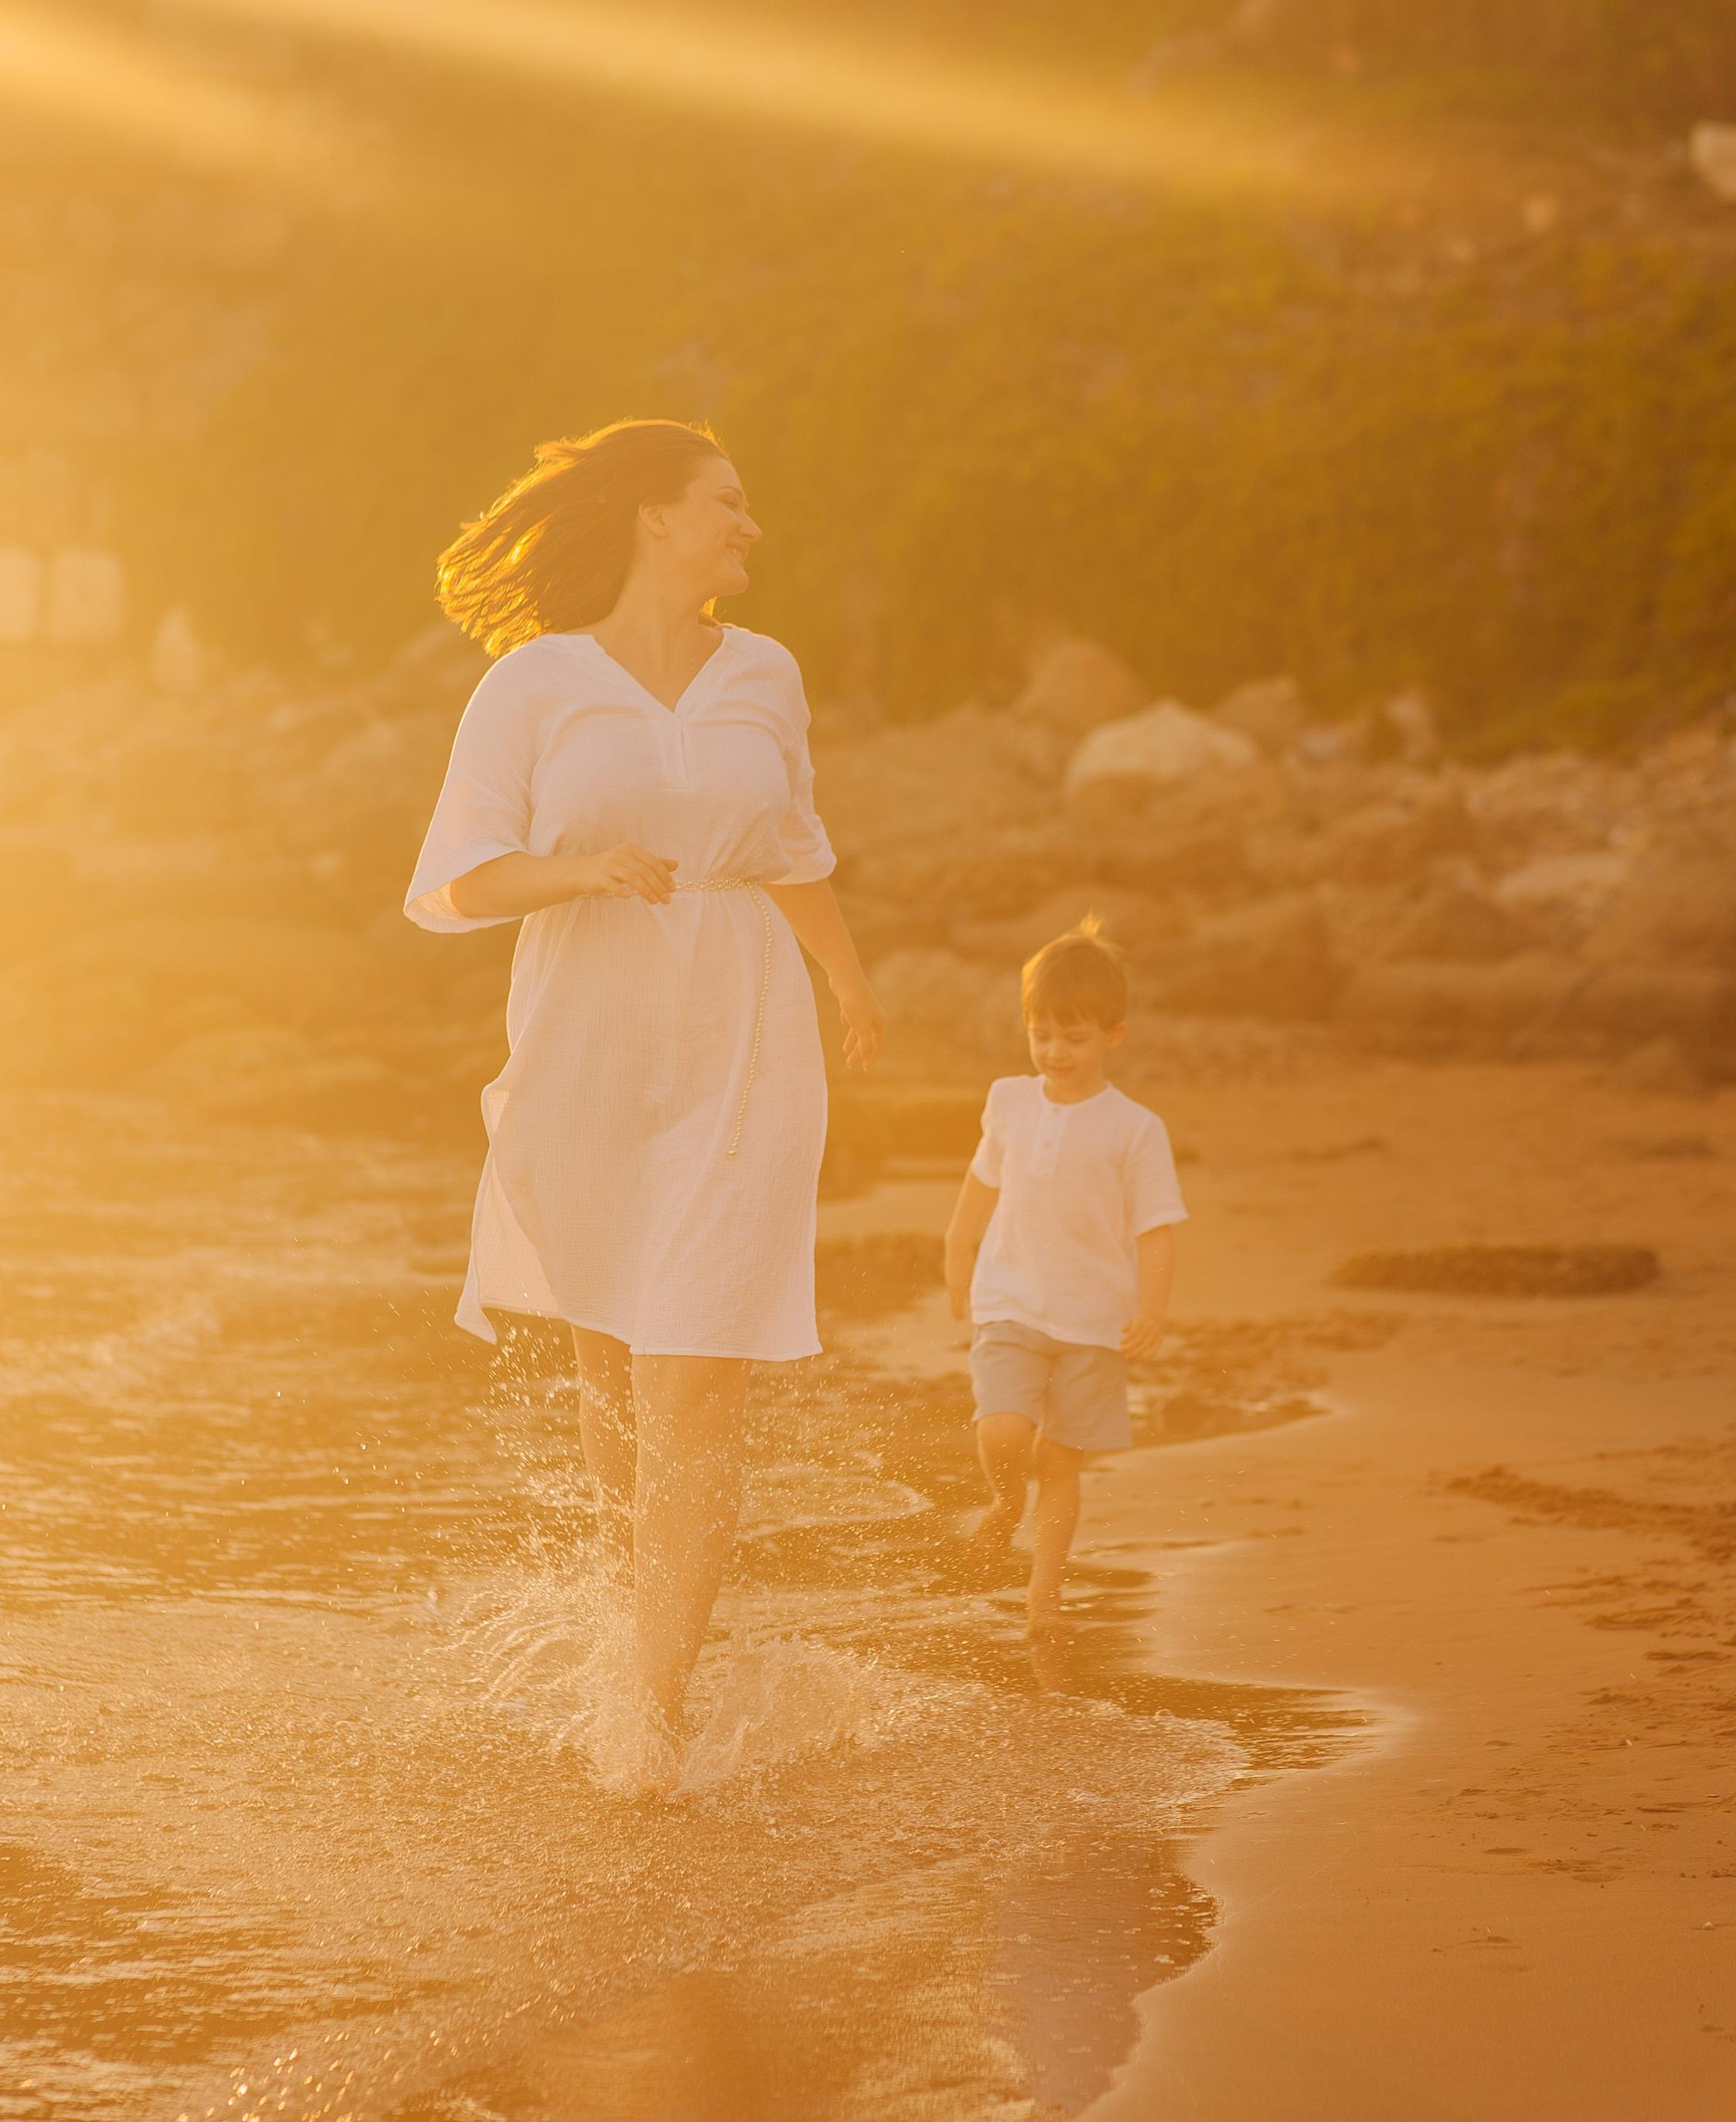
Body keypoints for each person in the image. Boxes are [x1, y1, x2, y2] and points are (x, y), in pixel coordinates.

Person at [403, 418, 885, 1766]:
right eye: (726, 501)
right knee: (612, 1364)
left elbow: (790, 846)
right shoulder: (533, 684)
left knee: (698, 1376)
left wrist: (846, 976)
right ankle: (639, 1620)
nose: (749, 525)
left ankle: (652, 1721)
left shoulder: (765, 673)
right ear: (653, 515)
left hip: (744, 1034)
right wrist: (581, 870)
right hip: (590, 1041)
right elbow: (456, 879)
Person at [942, 918, 1185, 1633]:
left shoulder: (1135, 1129)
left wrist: (1152, 1311)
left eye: (1074, 1038)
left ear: (1114, 1036)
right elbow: (982, 1180)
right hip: (1010, 1300)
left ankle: (1043, 1593)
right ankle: (1004, 1501)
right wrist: (957, 1250)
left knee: (1061, 1462)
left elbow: (1157, 1228)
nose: (1055, 1052)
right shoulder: (1009, 1101)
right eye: (1041, 1034)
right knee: (1003, 1430)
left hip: (1094, 1321)